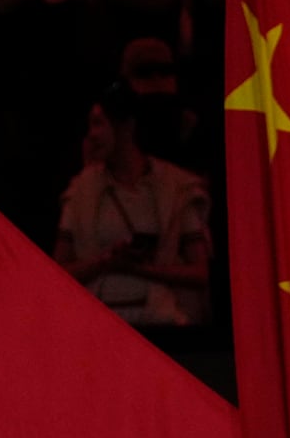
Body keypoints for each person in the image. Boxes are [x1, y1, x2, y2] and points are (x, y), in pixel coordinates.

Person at [53, 80, 211, 326]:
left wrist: (141, 269)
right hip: (98, 319)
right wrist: (106, 261)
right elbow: (58, 270)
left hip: (160, 320)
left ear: (126, 127)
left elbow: (200, 272)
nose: (92, 135)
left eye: (99, 123)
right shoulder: (81, 191)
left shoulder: (174, 188)